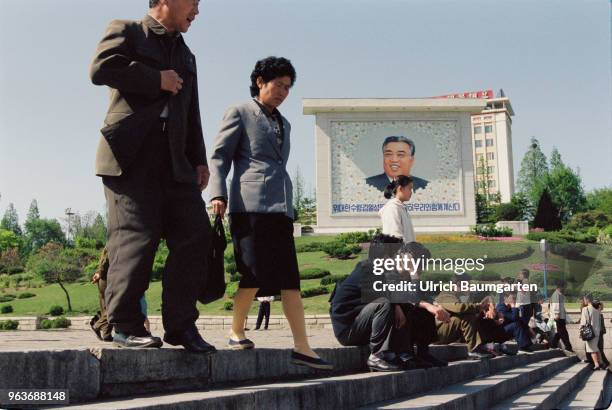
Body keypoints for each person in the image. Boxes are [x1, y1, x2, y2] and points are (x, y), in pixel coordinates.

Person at [89, 0, 216, 353]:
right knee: (136, 237)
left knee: (195, 234)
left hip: (175, 162)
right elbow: (101, 68)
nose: (197, 11)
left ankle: (181, 326)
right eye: (193, 2)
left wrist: (199, 159)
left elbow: (192, 110)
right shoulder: (127, 30)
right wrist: (155, 79)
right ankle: (124, 325)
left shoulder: (186, 54)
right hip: (130, 156)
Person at [208, 56, 332, 370]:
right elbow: (219, 157)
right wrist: (217, 194)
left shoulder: (284, 123)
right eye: (278, 85)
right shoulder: (240, 112)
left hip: (280, 208)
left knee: (290, 279)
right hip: (248, 207)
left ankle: (302, 346)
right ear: (261, 82)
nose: (283, 92)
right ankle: (236, 331)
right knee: (253, 274)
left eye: (288, 87)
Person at [330, 236, 449, 371]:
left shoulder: (384, 270)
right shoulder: (369, 269)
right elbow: (401, 296)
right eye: (398, 253)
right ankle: (377, 355)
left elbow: (411, 296)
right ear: (387, 257)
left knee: (416, 306)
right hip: (349, 330)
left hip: (365, 324)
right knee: (386, 304)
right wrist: (413, 274)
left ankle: (420, 353)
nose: (400, 257)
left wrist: (433, 304)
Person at [91, 247, 151, 341]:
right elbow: (106, 259)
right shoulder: (114, 244)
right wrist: (100, 272)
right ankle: (97, 326)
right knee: (113, 307)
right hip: (107, 279)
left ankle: (106, 334)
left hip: (106, 278)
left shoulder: (116, 243)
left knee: (106, 307)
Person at [379, 175, 416, 243]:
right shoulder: (392, 208)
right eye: (409, 188)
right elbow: (394, 238)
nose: (411, 192)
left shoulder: (400, 207)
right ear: (400, 189)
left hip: (408, 252)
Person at [550, 280, 573, 352]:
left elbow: (562, 307)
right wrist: (557, 314)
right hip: (559, 316)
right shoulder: (556, 294)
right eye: (564, 286)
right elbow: (556, 305)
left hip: (561, 316)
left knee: (560, 332)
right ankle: (568, 347)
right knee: (563, 333)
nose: (565, 288)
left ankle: (553, 344)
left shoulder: (560, 294)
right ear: (561, 287)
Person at [581, 294, 603, 370]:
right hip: (597, 332)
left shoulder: (585, 309)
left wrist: (581, 331)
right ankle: (601, 363)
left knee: (592, 349)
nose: (584, 301)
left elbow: (583, 322)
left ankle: (597, 365)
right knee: (596, 348)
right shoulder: (597, 310)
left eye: (584, 299)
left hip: (589, 332)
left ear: (587, 300)